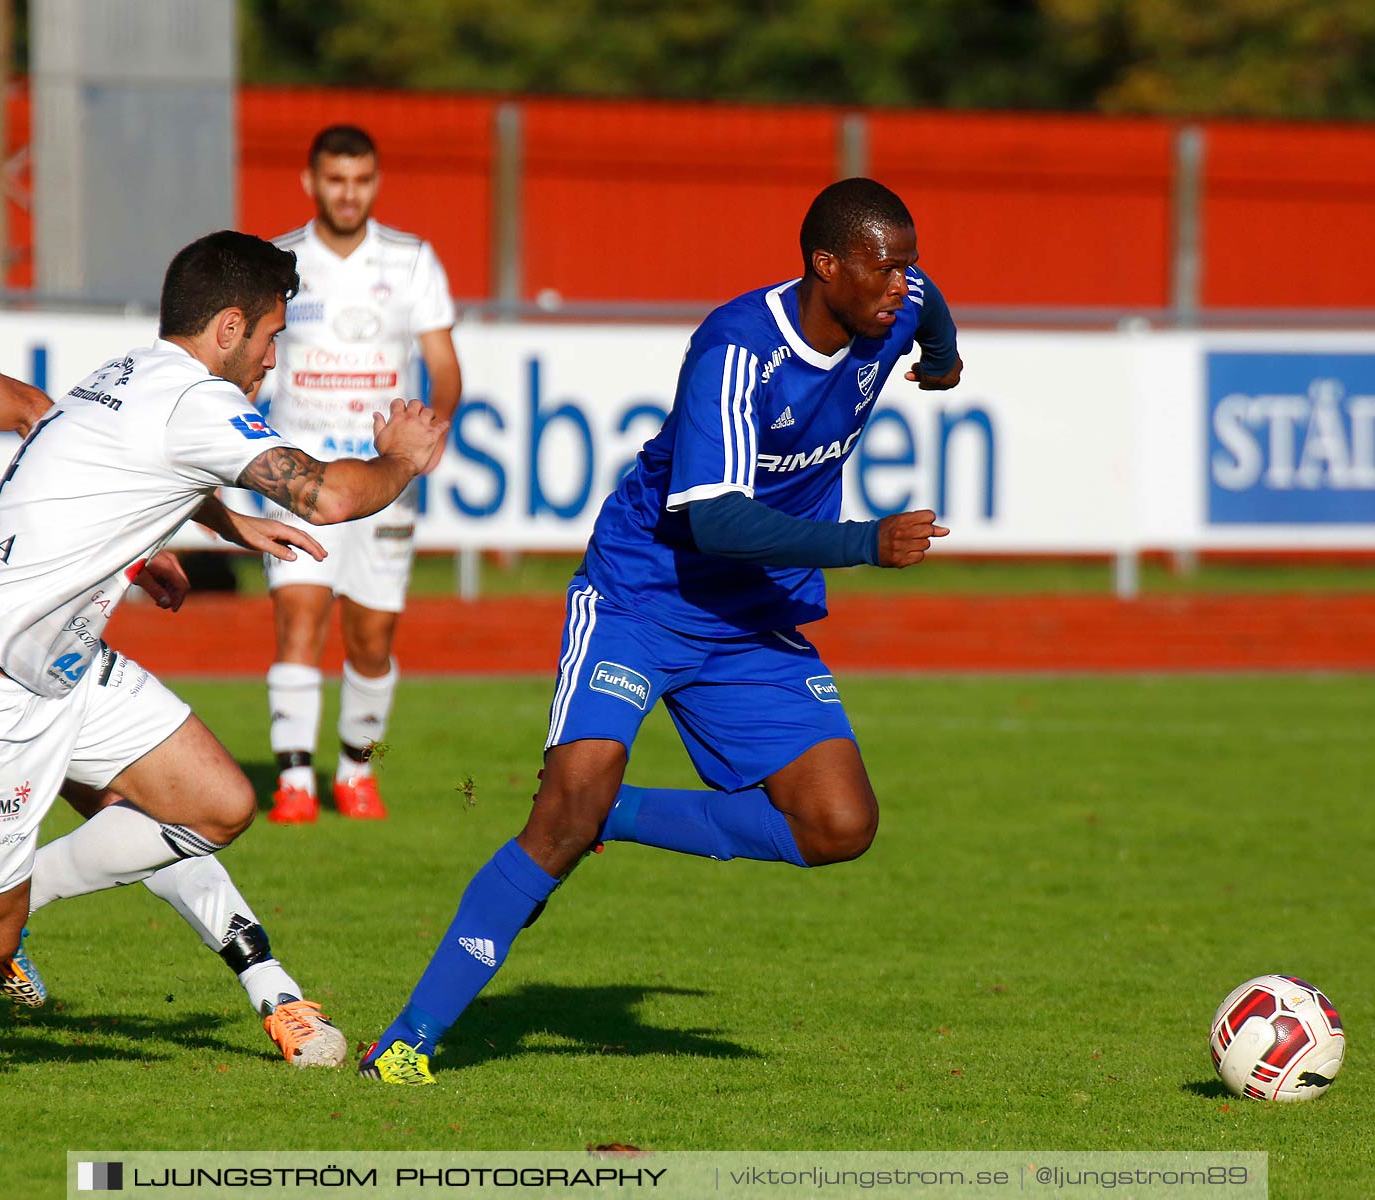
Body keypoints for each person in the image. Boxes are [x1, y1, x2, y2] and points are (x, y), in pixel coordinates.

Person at [0, 231, 447, 1084]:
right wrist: (403, 458)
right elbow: (333, 494)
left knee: (217, 801)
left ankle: (36, 899)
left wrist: (195, 522)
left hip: (53, 663)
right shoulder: (190, 399)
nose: (276, 359)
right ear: (232, 327)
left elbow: (84, 452)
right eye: (274, 338)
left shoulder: (120, 373)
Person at [358, 178, 962, 1085]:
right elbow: (715, 519)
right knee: (560, 819)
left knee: (840, 824)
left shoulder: (895, 302)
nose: (900, 286)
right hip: (645, 595)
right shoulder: (738, 349)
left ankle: (623, 814)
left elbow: (930, 309)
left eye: (908, 266)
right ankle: (407, 1042)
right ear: (825, 266)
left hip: (751, 612)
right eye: (883, 268)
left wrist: (943, 359)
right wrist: (865, 541)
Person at [259, 123, 462, 824]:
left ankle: (356, 771)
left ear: (375, 181)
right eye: (336, 179)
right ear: (311, 182)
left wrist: (430, 432)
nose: (350, 193)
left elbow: (443, 364)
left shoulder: (410, 260)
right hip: (296, 473)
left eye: (363, 179)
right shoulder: (279, 259)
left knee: (373, 641)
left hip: (381, 479)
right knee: (299, 619)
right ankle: (293, 784)